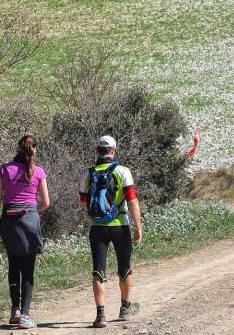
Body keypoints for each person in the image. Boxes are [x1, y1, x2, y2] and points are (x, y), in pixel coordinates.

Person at [78, 135, 143, 328]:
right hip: (120, 225)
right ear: (113, 151)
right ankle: (125, 308)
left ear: (97, 151)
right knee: (124, 266)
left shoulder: (88, 174)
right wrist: (138, 227)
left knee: (98, 270)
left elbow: (83, 202)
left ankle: (100, 315)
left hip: (97, 228)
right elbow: (131, 200)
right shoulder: (123, 171)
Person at [0, 134, 50, 330]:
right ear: (34, 150)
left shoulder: (4, 169)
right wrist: (32, 210)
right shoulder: (39, 172)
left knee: (13, 265)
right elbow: (46, 202)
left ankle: (15, 310)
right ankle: (26, 315)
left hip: (10, 221)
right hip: (30, 223)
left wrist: (12, 199)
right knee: (28, 270)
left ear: (17, 149)